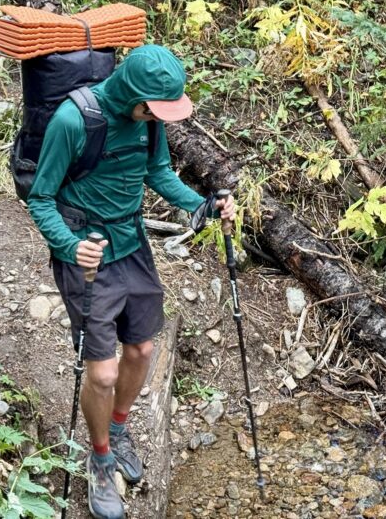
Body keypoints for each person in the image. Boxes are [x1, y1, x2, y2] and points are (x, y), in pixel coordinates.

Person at [27, 44, 234, 519]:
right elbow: (40, 198)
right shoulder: (72, 121)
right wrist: (68, 244)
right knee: (100, 371)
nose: (157, 118)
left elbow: (157, 172)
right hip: (88, 255)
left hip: (133, 244)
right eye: (154, 110)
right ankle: (99, 458)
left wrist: (198, 203)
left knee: (141, 350)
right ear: (134, 96)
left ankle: (118, 426)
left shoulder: (149, 119)